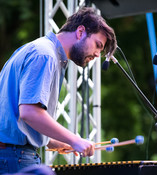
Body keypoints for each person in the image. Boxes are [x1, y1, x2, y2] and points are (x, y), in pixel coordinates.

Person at [0, 7, 117, 174]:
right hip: (14, 157)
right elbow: (29, 112)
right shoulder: (45, 55)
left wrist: (59, 142)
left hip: (10, 155)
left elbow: (15, 121)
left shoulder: (35, 49)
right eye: (98, 45)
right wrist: (75, 139)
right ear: (80, 31)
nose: (98, 54)